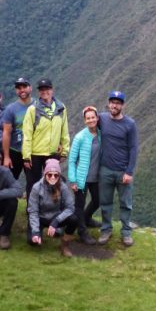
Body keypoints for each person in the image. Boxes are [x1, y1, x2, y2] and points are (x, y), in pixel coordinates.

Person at [97, 90, 139, 247]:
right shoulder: (101, 119)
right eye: (112, 102)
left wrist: (129, 171)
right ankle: (106, 229)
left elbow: (134, 148)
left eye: (118, 103)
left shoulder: (130, 124)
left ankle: (126, 232)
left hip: (123, 171)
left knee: (125, 203)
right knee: (105, 202)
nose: (114, 105)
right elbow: (89, 118)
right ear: (108, 103)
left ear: (122, 105)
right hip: (105, 170)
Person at [21, 78, 69, 200]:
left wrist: (65, 151)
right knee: (33, 184)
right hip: (35, 154)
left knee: (53, 183)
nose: (44, 92)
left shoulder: (61, 108)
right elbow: (27, 133)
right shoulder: (33, 109)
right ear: (38, 92)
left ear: (51, 90)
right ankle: (31, 212)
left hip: (53, 153)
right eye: (41, 90)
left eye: (46, 89)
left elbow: (65, 131)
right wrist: (26, 156)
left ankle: (52, 211)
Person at [26, 158, 77, 256]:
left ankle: (65, 244)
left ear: (59, 176)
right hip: (41, 218)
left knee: (74, 219)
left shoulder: (63, 187)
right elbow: (33, 211)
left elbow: (70, 208)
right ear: (45, 174)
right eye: (49, 174)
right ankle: (40, 234)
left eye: (56, 175)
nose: (52, 177)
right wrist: (36, 232)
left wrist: (56, 221)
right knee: (32, 242)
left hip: (55, 217)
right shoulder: (37, 187)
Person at [66, 105, 101, 245]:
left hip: (97, 177)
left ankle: (86, 219)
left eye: (93, 117)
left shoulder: (101, 134)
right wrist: (73, 181)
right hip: (82, 178)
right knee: (79, 205)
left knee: (98, 200)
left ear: (97, 118)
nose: (91, 120)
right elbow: (72, 160)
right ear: (85, 120)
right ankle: (82, 232)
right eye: (88, 118)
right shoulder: (80, 137)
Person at [1, 77, 33, 183]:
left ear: (30, 88)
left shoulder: (38, 106)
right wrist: (6, 157)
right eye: (19, 88)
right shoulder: (11, 109)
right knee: (9, 182)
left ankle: (31, 200)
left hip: (33, 151)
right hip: (15, 150)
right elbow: (6, 133)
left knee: (32, 182)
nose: (22, 90)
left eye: (24, 86)